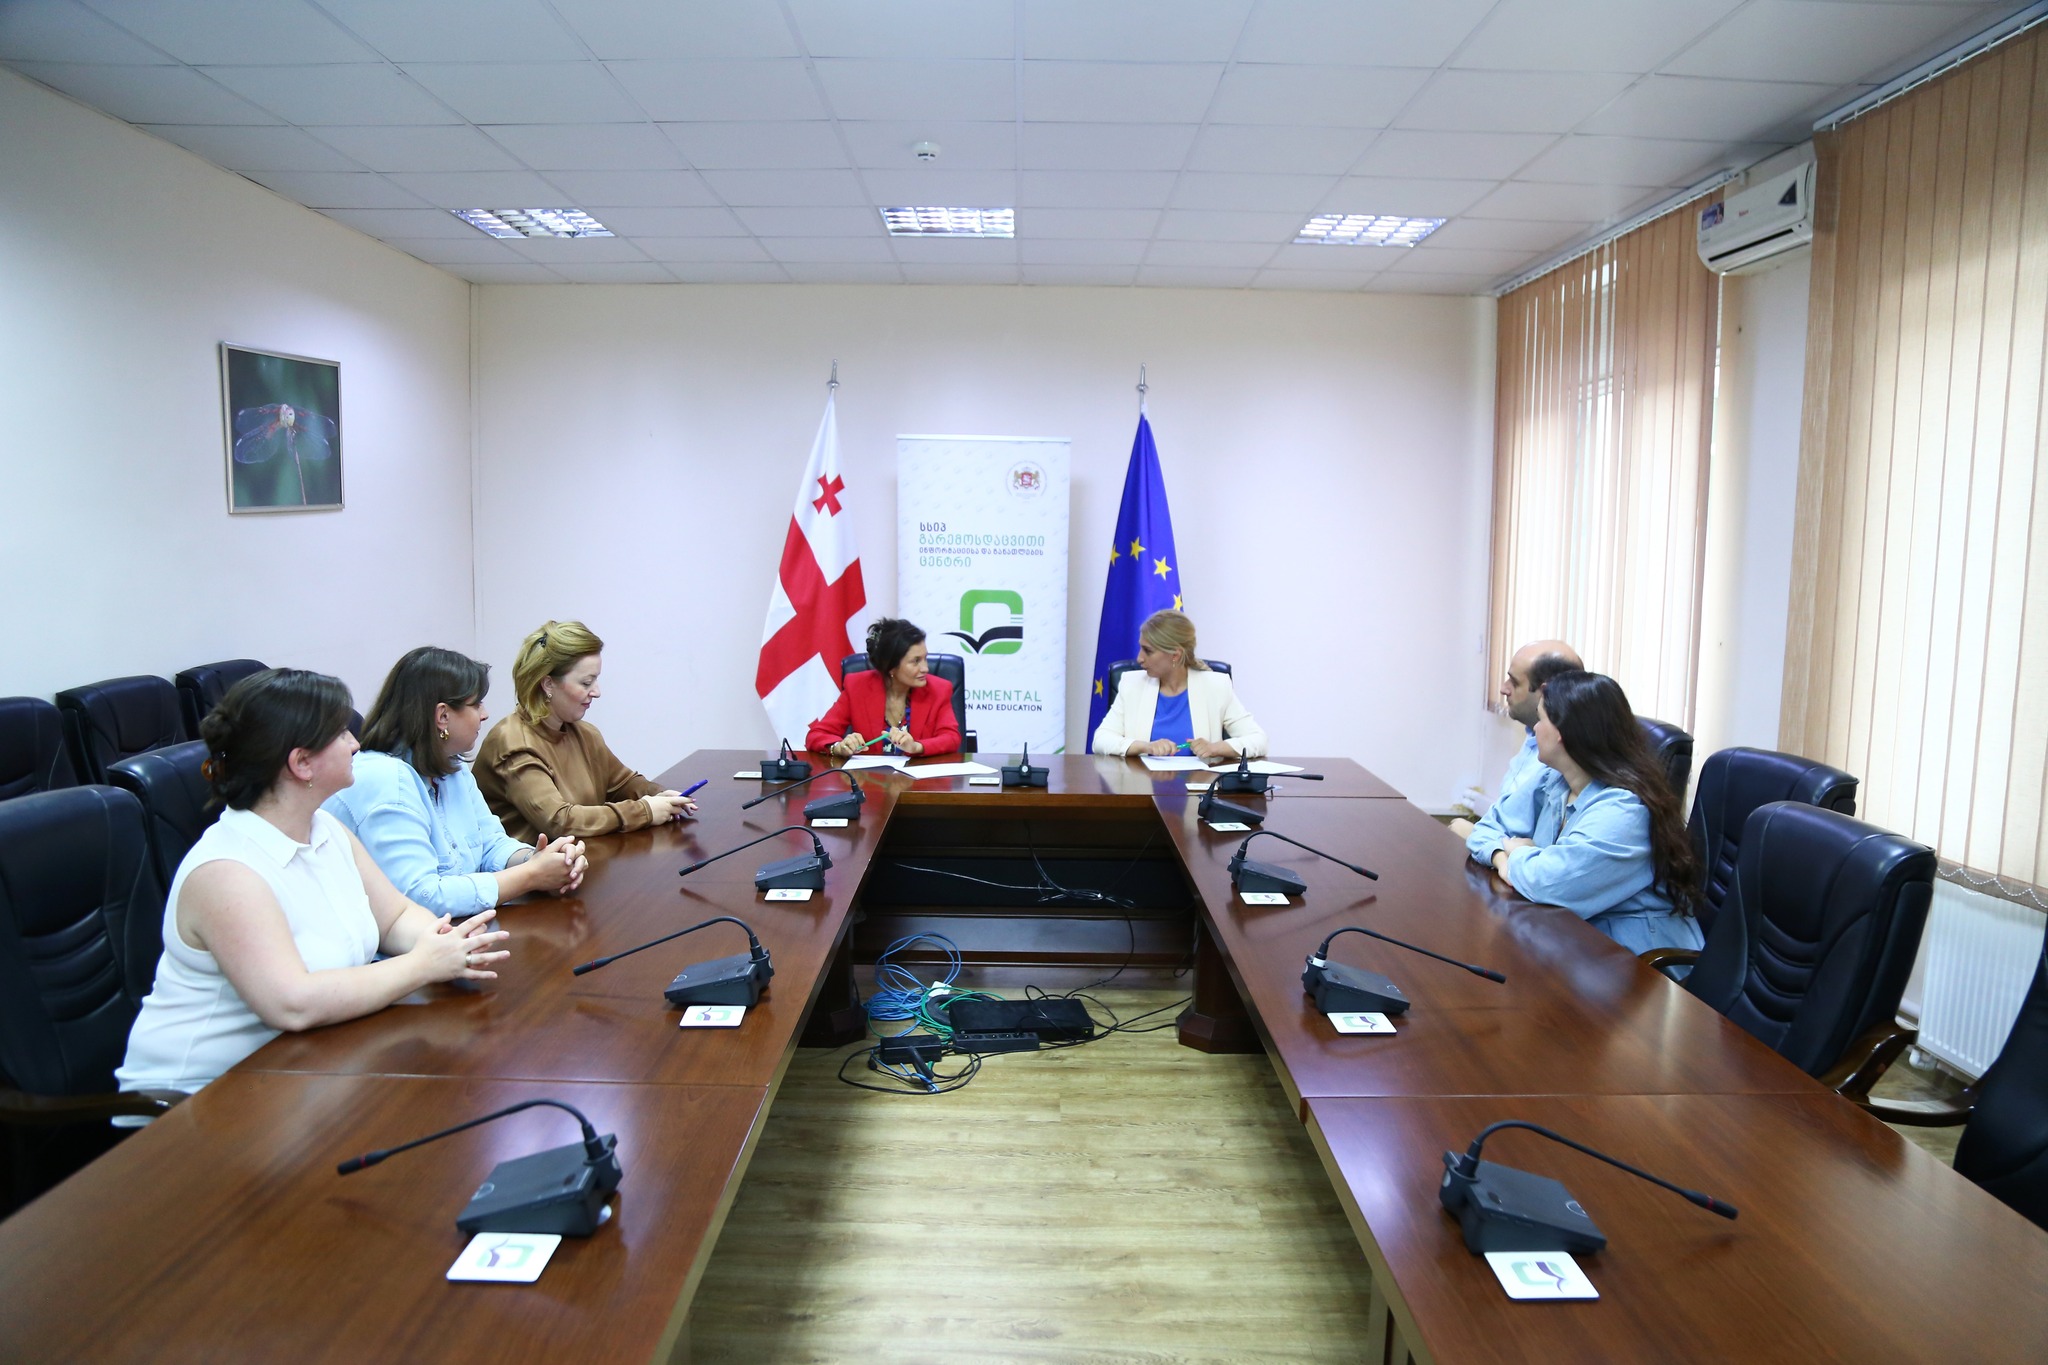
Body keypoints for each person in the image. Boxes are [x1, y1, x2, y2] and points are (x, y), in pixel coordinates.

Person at [117, 669, 510, 1094]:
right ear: (302, 763)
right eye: (340, 734)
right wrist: (421, 965)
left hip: (304, 1067)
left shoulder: (324, 827)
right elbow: (293, 1003)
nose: (355, 743)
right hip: (199, 1098)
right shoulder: (226, 872)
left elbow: (395, 918)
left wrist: (445, 942)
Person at [325, 646, 588, 919]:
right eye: (476, 704)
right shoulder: (385, 778)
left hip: (455, 931)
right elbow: (422, 897)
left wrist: (540, 859)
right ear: (442, 716)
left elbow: (491, 844)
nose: (485, 714)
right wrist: (530, 876)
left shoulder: (452, 767)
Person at [1465, 670, 1704, 955]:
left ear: (1563, 733)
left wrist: (1518, 853)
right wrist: (1502, 855)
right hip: (1572, 935)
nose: (1536, 729)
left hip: (1636, 961)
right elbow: (1485, 829)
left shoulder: (1625, 811)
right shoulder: (1553, 779)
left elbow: (1549, 884)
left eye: (1541, 719)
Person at [475, 620, 695, 842]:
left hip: (581, 855)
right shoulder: (513, 744)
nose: (597, 692)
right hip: (532, 861)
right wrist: (644, 811)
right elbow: (559, 821)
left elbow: (622, 783)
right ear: (548, 684)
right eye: (586, 683)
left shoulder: (584, 733)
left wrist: (659, 795)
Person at [1448, 639, 1583, 841]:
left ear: (1546, 691)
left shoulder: (1558, 760)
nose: (1503, 689)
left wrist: (1477, 836)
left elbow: (1537, 849)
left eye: (1515, 682)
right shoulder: (1533, 737)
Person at [1091, 609, 1266, 760]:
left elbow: (1258, 740)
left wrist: (1215, 748)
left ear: (1175, 655)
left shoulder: (1216, 686)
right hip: (1142, 785)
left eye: (1148, 651)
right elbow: (1100, 739)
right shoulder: (1131, 684)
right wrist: (1145, 746)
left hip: (1199, 786)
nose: (1139, 658)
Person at [806, 617, 960, 757]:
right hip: (869, 778)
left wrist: (916, 747)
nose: (925, 668)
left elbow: (952, 738)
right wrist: (838, 747)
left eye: (925, 658)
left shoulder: (939, 689)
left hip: (919, 778)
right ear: (890, 667)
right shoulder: (857, 687)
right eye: (916, 661)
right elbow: (817, 735)